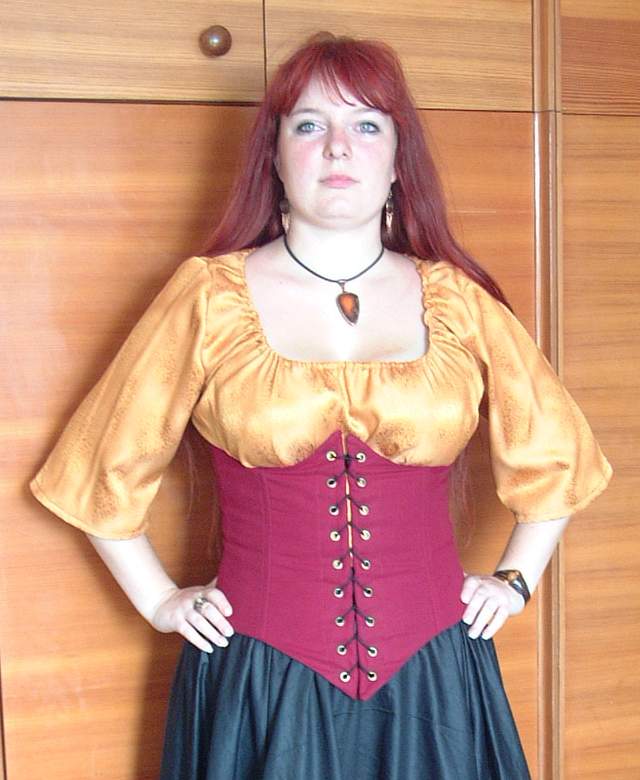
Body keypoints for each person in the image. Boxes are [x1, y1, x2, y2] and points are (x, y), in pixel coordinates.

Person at [30, 33, 612, 779]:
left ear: (397, 161)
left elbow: (560, 459)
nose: (339, 146)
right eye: (309, 124)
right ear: (273, 157)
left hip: (435, 682)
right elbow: (97, 470)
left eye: (366, 124)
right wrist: (160, 600)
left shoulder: (460, 303)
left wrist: (514, 580)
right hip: (260, 683)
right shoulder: (208, 299)